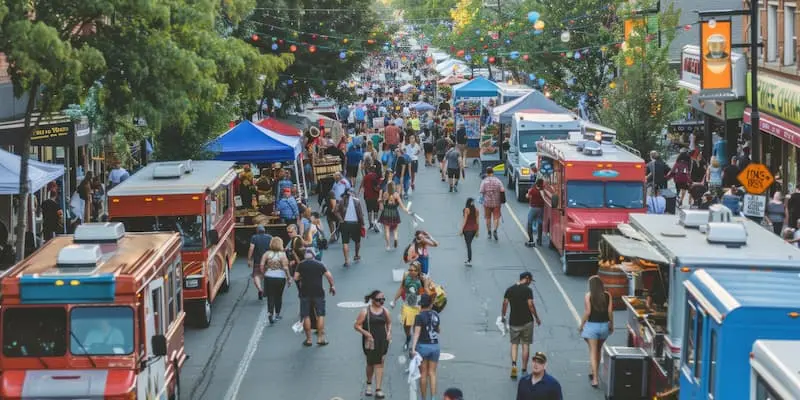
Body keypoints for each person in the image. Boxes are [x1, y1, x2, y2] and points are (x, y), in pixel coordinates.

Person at [502, 272, 542, 379]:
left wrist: (503, 316)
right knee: (525, 345)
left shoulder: (510, 289)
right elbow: (530, 305)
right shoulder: (527, 290)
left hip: (514, 322)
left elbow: (505, 303)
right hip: (527, 322)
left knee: (514, 344)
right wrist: (536, 318)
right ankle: (524, 370)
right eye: (530, 281)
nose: (530, 283)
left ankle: (514, 365)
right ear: (527, 279)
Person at [294, 248, 336, 346]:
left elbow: (296, 277)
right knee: (320, 314)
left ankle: (308, 339)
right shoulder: (320, 264)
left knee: (306, 315)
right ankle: (320, 338)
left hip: (304, 292)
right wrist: (332, 286)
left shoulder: (301, 265)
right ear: (314, 255)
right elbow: (329, 275)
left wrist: (302, 277)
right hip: (318, 292)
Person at [354, 290, 392, 399]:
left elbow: (389, 323)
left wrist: (389, 332)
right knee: (370, 363)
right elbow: (357, 325)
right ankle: (369, 384)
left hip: (382, 340)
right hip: (370, 341)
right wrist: (365, 333)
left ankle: (378, 389)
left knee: (380, 363)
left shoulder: (385, 311)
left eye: (383, 299)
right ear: (372, 300)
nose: (381, 302)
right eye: (379, 300)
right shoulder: (365, 311)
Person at [579, 275, 613, 388]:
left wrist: (581, 324)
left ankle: (595, 379)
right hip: (604, 327)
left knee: (593, 352)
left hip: (592, 327)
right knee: (598, 350)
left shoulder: (588, 296)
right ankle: (592, 371)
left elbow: (588, 312)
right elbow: (610, 312)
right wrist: (611, 325)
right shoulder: (608, 295)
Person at [411, 294, 441, 400]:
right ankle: (433, 397)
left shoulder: (419, 316)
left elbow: (416, 333)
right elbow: (438, 330)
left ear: (421, 305)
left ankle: (424, 398)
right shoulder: (436, 315)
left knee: (423, 374)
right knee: (432, 373)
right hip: (435, 346)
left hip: (423, 346)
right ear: (430, 304)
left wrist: (413, 348)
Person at [390, 261, 426, 350]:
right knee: (406, 324)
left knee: (416, 326)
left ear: (418, 271)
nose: (411, 272)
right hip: (407, 304)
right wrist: (394, 300)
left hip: (417, 305)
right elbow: (402, 288)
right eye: (410, 270)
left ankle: (415, 343)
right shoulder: (406, 275)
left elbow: (423, 293)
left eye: (413, 270)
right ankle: (408, 337)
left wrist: (423, 306)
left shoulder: (422, 279)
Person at [259, 237, 292, 324]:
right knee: (278, 295)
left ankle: (270, 312)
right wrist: (289, 278)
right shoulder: (282, 255)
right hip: (280, 277)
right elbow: (285, 267)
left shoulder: (266, 254)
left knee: (270, 296)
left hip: (269, 276)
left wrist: (263, 274)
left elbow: (261, 265)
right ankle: (277, 314)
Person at [334, 188, 365, 267]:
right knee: (357, 241)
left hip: (345, 224)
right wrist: (362, 224)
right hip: (355, 224)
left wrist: (340, 219)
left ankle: (347, 260)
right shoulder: (357, 201)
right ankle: (356, 255)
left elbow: (335, 211)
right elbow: (360, 215)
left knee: (345, 242)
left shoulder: (341, 201)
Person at [378, 181, 409, 250]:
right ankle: (395, 238)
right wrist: (406, 210)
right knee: (395, 229)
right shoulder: (396, 195)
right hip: (394, 214)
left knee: (387, 230)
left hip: (386, 213)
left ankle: (388, 246)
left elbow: (382, 206)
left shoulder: (385, 194)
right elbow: (402, 206)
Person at [247, 225, 273, 300]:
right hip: (268, 260)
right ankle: (269, 290)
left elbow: (251, 248)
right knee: (268, 275)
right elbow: (273, 247)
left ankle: (260, 289)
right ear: (264, 230)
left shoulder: (254, 237)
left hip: (258, 261)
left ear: (257, 231)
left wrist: (249, 259)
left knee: (256, 276)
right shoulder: (270, 237)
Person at [479, 167, 505, 240]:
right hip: (497, 202)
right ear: (493, 172)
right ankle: (495, 230)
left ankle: (489, 232)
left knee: (488, 218)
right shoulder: (498, 181)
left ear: (487, 173)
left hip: (487, 203)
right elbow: (502, 189)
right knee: (496, 217)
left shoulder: (484, 181)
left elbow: (481, 191)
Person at [360, 165, 382, 232]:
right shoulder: (376, 176)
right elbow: (378, 186)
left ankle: (370, 224)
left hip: (367, 197)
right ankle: (375, 224)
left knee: (369, 211)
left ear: (368, 170)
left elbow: (363, 186)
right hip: (375, 196)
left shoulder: (365, 177)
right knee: (376, 211)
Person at [459, 198, 479, 265]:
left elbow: (465, 220)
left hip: (467, 230)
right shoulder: (476, 210)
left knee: (468, 245)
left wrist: (461, 229)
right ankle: (469, 260)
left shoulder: (466, 210)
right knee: (469, 244)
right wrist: (477, 231)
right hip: (474, 229)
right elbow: (477, 221)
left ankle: (469, 260)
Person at [526, 179, 545, 247]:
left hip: (533, 208)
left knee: (529, 222)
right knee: (540, 222)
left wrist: (527, 193)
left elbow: (527, 196)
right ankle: (539, 240)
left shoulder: (533, 189)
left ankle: (531, 240)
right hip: (541, 208)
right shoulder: (543, 190)